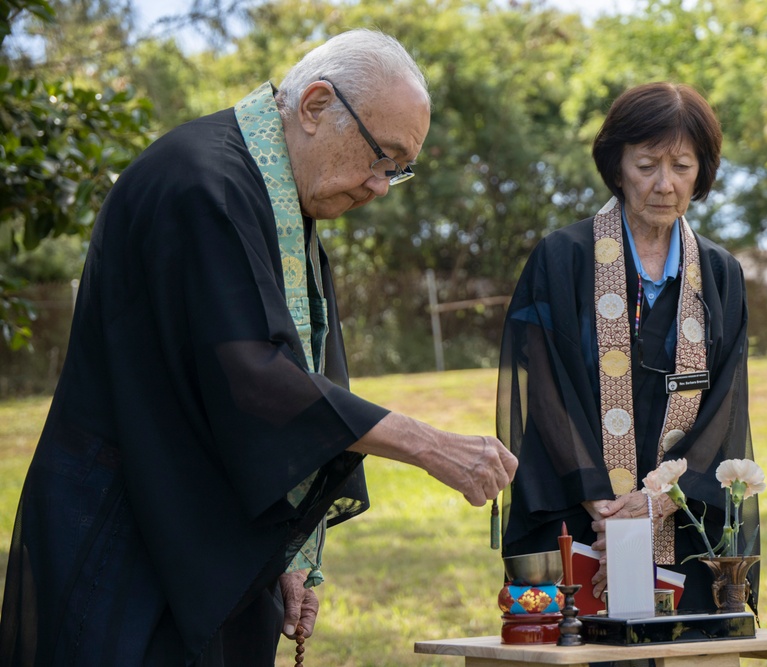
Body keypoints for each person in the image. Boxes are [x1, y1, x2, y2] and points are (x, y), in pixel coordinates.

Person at [0, 29, 517, 667]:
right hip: (127, 528)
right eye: (382, 157)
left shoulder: (282, 201)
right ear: (314, 106)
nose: (382, 186)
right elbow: (251, 375)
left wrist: (285, 557)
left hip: (201, 528)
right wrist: (428, 444)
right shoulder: (202, 184)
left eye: (397, 170)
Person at [496, 82, 758, 615]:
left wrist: (658, 503)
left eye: (682, 166)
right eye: (646, 165)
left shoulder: (720, 274)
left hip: (685, 518)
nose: (664, 184)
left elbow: (726, 401)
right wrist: (608, 508)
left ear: (701, 172)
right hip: (576, 507)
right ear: (616, 166)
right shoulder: (562, 258)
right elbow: (546, 387)